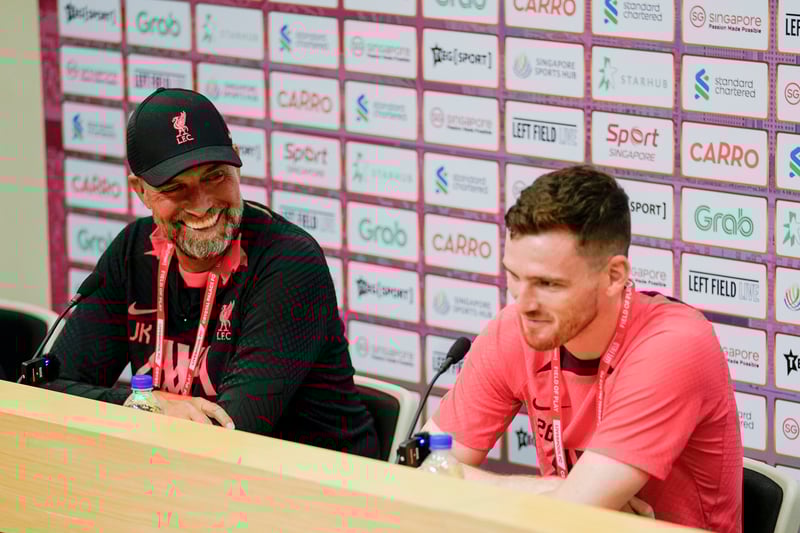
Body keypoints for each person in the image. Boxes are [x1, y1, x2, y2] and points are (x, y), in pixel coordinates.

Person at [46, 88, 379, 459]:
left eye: (215, 176)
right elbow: (46, 388)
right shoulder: (133, 251)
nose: (203, 203)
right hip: (194, 484)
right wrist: (145, 404)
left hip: (318, 491)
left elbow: (229, 433)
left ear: (236, 160)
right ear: (140, 191)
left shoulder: (289, 261)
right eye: (175, 188)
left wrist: (142, 409)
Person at [423, 165, 742, 531]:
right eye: (514, 276)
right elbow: (417, 465)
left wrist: (565, 502)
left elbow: (569, 519)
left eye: (548, 283)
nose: (524, 303)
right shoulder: (516, 328)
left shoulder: (675, 346)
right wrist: (556, 491)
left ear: (614, 276)